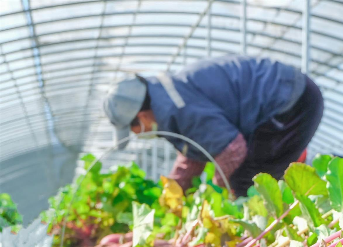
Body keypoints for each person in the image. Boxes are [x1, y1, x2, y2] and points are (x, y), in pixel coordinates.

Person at [103, 55, 324, 196]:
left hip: (290, 103)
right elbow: (195, 149)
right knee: (253, 180)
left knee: (248, 183)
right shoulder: (168, 99)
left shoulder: (177, 107)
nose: (135, 134)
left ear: (141, 117)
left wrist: (218, 193)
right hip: (288, 99)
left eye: (131, 129)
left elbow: (231, 149)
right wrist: (176, 187)